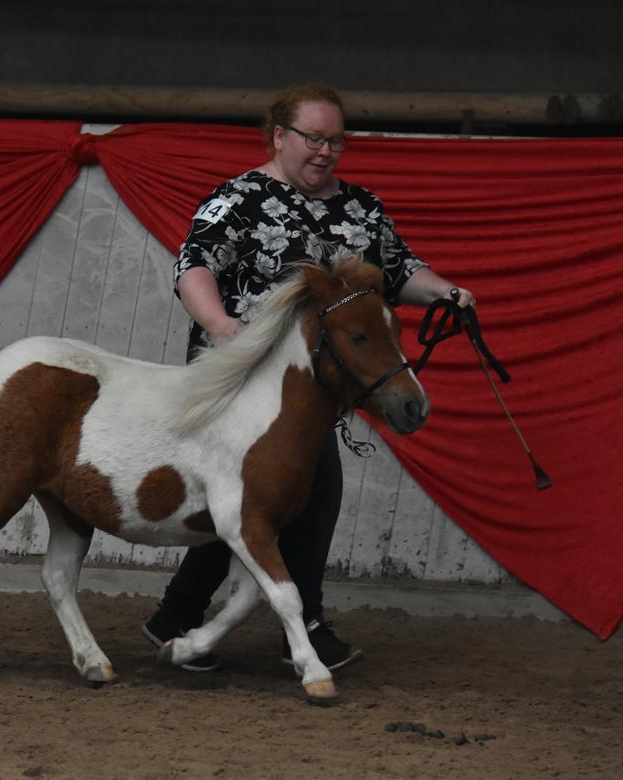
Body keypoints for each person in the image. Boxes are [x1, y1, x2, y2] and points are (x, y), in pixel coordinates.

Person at [142, 84, 474, 672]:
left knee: (263, 500)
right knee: (295, 494)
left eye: (336, 141)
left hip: (311, 392)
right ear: (279, 136)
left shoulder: (362, 207)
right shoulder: (237, 199)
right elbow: (193, 266)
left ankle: (178, 614)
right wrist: (220, 325)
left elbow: (400, 271)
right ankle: (304, 625)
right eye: (314, 139)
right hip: (241, 384)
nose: (326, 151)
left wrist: (447, 291)